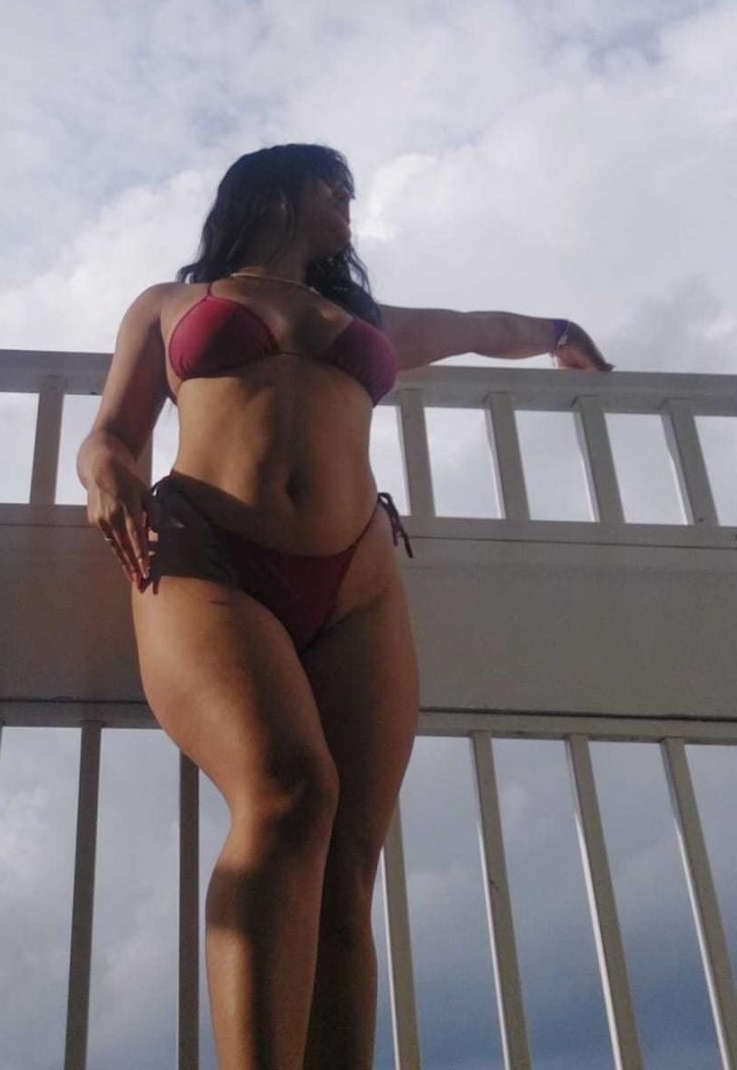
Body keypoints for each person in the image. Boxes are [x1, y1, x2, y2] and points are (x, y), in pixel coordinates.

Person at [76, 142, 613, 1069]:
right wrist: (104, 476)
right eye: (334, 187)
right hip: (207, 558)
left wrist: (557, 329)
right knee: (290, 792)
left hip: (357, 581)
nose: (348, 204)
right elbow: (110, 434)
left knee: (347, 871)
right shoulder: (168, 305)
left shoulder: (362, 319)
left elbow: (474, 326)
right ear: (275, 193)